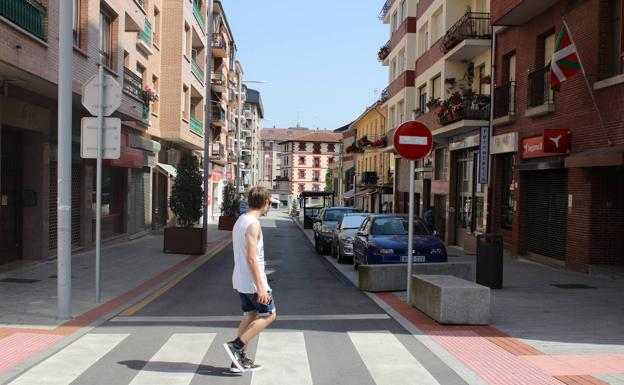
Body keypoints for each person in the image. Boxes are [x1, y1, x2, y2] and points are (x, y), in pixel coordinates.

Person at [224, 186, 276, 374]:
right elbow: (252, 257)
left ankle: (237, 361)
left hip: (241, 279)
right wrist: (261, 287)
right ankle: (236, 346)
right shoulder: (253, 224)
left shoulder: (241, 221)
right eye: (269, 202)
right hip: (253, 281)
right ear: (265, 202)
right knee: (270, 315)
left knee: (250, 316)